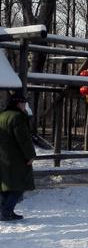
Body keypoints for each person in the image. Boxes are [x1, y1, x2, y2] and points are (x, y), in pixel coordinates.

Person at [0, 92, 36, 221]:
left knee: (5, 186)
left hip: (3, 157)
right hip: (16, 158)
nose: (24, 106)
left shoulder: (1, 115)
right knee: (18, 186)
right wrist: (30, 155)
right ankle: (6, 212)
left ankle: (5, 211)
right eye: (23, 103)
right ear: (17, 104)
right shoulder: (17, 117)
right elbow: (24, 139)